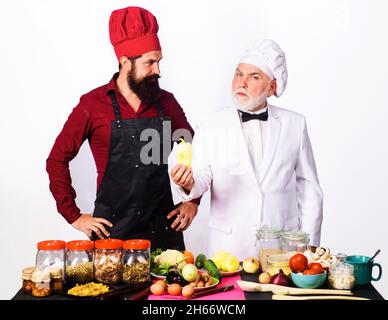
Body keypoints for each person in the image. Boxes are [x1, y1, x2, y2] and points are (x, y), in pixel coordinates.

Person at [46, 6, 199, 250]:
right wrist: (73, 215)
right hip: (112, 236)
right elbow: (56, 159)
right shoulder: (92, 105)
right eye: (150, 63)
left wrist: (194, 199)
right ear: (125, 62)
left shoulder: (167, 103)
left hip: (164, 232)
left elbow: (193, 149)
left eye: (159, 62)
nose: (158, 71)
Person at [170, 39, 323, 259]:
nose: (242, 83)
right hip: (228, 249)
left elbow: (309, 189)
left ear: (272, 87)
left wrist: (309, 246)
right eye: (238, 74)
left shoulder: (295, 124)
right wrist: (188, 183)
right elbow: (202, 174)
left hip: (283, 250)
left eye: (254, 77)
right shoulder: (211, 124)